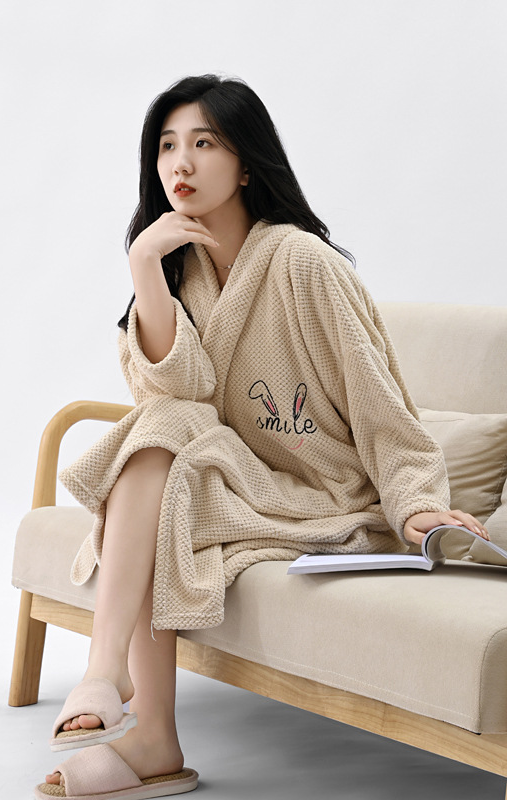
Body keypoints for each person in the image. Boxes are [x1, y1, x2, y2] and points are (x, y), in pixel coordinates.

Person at [33, 74, 489, 799]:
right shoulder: (176, 269)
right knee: (166, 437)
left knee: (167, 472)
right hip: (239, 481)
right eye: (167, 146)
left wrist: (414, 503)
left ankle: (133, 712)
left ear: (245, 164)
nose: (180, 163)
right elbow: (172, 397)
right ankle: (123, 695)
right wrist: (144, 267)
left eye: (204, 143)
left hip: (325, 494)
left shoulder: (302, 263)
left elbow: (381, 406)